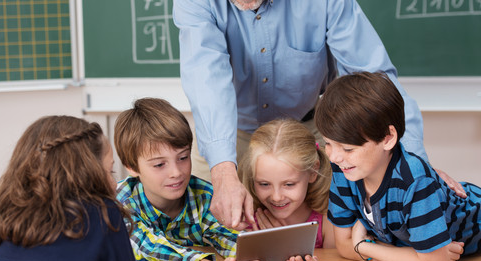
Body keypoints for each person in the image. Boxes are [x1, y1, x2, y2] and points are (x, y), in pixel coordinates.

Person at [173, 0, 465, 231]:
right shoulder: (196, 2)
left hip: (308, 129)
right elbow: (207, 81)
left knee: (348, 229)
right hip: (227, 131)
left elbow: (375, 81)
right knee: (208, 233)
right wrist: (223, 172)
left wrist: (416, 166)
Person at [314, 71, 481, 261]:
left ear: (387, 138)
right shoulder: (345, 170)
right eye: (328, 144)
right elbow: (342, 245)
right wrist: (412, 257)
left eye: (348, 149)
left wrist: (364, 246)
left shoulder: (414, 181)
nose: (334, 157)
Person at [113, 97, 267, 261]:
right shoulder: (119, 202)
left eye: (183, 157)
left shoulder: (203, 195)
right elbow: (150, 248)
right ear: (131, 167)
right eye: (160, 164)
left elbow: (227, 236)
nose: (176, 173)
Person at [0, 116, 139, 261]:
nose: (114, 184)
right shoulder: (103, 211)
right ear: (86, 174)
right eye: (109, 172)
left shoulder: (12, 211)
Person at [237, 119, 333, 261]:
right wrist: (275, 260)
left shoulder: (326, 214)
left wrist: (284, 248)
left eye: (289, 184)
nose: (276, 197)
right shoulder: (246, 217)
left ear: (312, 172)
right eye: (264, 184)